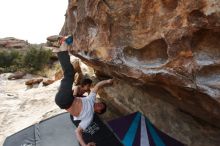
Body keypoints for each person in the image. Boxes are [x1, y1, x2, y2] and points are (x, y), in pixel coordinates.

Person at [54, 35, 112, 146]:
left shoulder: (89, 118)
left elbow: (78, 132)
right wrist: (108, 81)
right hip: (66, 97)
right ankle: (59, 48)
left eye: (101, 107)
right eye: (101, 104)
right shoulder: (90, 99)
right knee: (69, 73)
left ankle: (61, 46)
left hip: (65, 102)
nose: (99, 105)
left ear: (98, 112)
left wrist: (84, 145)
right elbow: (97, 86)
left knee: (69, 74)